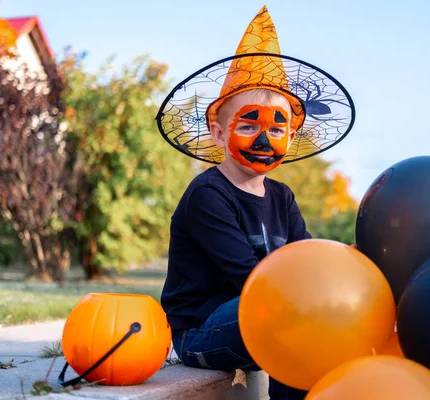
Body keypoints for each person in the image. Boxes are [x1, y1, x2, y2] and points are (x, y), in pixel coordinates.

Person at [156, 5, 355, 399]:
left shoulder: (281, 196)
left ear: (290, 136)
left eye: (276, 128)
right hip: (203, 330)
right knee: (292, 313)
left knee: (316, 315)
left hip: (264, 315)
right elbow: (255, 281)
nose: (264, 141)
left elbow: (306, 260)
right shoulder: (208, 196)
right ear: (217, 132)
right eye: (248, 125)